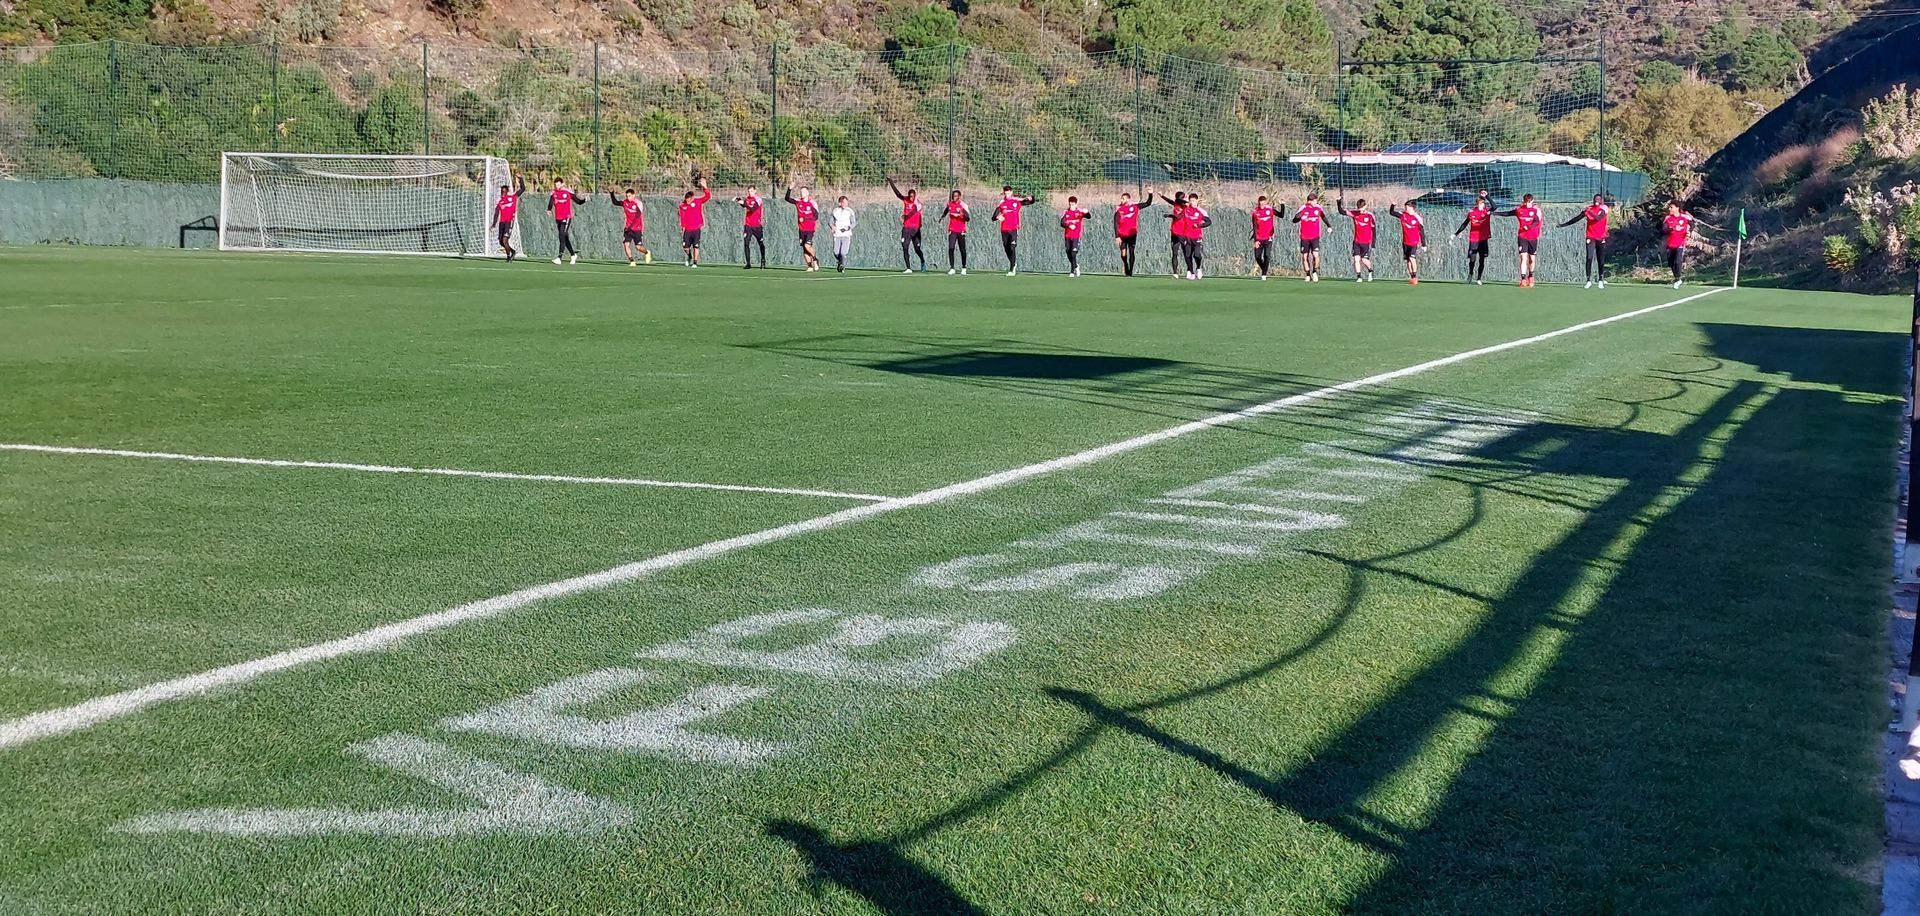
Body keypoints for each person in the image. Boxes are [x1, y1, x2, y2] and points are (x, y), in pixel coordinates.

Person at [1559, 194, 1610, 288]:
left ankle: (1600, 279)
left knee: (1600, 259)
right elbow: (1577, 218)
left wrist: (1590, 212)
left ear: (1601, 200)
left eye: (1598, 199)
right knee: (1589, 257)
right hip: (1590, 236)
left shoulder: (1604, 209)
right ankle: (1588, 280)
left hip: (1601, 237)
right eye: (1595, 199)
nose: (1596, 200)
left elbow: (1598, 218)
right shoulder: (1589, 209)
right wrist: (1563, 225)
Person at [1497, 193, 1544, 287]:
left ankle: (1530, 276)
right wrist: (1494, 213)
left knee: (1532, 259)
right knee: (1523, 257)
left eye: (1529, 202)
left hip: (1533, 237)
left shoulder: (1536, 210)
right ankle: (1523, 279)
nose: (1527, 204)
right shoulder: (1519, 209)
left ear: (1532, 201)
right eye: (1526, 202)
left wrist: (1528, 227)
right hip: (1522, 236)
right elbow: (1508, 213)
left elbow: (1537, 221)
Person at [992, 186, 1038, 276]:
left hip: (1014, 228)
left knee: (1012, 247)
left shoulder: (1017, 201)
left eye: (1008, 192)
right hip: (1004, 229)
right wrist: (997, 217)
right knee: (1007, 248)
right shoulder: (1002, 203)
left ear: (1011, 192)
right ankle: (1013, 263)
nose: (1007, 194)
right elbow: (993, 217)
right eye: (1005, 193)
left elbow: (1031, 202)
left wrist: (1031, 198)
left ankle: (1012, 269)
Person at [1454, 193, 1494, 285]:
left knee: (1482, 260)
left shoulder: (1487, 212)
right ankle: (1470, 274)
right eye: (1480, 203)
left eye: (1483, 203)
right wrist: (1456, 233)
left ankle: (1479, 278)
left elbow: (1495, 206)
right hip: (1474, 239)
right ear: (1477, 204)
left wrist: (1487, 196)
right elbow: (1465, 224)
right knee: (1472, 259)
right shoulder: (1472, 212)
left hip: (1483, 239)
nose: (1482, 205)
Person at [888, 178, 926, 273]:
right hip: (906, 229)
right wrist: (891, 183)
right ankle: (908, 268)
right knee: (905, 247)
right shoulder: (906, 200)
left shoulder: (918, 203)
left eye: (913, 196)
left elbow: (913, 212)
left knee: (917, 249)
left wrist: (906, 216)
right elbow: (898, 194)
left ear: (915, 196)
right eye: (910, 196)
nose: (911, 198)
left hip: (915, 230)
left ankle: (922, 261)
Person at [1113, 190, 1153, 277]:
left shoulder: (1135, 207)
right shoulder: (1119, 209)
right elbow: (1115, 223)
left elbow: (1148, 203)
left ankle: (1130, 270)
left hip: (1132, 234)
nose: (1121, 200)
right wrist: (1117, 236)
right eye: (1121, 199)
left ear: (1128, 199)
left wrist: (1150, 194)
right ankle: (1126, 265)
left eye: (1123, 199)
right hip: (1122, 234)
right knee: (1123, 253)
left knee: (1131, 252)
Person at [609, 188, 651, 267]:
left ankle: (647, 252)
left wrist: (630, 226)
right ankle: (632, 261)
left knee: (638, 247)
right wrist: (612, 194)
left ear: (633, 195)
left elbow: (637, 216)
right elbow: (615, 202)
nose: (628, 198)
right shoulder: (625, 202)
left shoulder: (638, 203)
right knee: (626, 244)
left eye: (630, 196)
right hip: (628, 228)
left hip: (637, 228)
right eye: (627, 196)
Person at [548, 177, 586, 265]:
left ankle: (559, 257)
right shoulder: (554, 193)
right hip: (558, 218)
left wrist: (584, 200)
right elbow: (551, 202)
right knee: (564, 237)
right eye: (555, 185)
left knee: (562, 235)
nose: (557, 186)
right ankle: (573, 255)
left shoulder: (567, 192)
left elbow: (578, 201)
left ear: (562, 184)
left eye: (558, 185)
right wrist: (549, 209)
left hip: (567, 217)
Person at [1338, 197, 1376, 282]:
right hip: (1357, 241)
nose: (1360, 210)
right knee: (1356, 259)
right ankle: (1359, 277)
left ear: (1365, 206)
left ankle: (1370, 271)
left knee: (1364, 260)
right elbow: (1341, 211)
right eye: (1359, 208)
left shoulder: (1370, 216)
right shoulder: (1355, 214)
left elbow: (1374, 230)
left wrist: (1373, 243)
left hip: (1366, 242)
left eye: (1361, 208)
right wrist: (1338, 202)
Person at [783, 187, 821, 272]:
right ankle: (810, 266)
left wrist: (805, 219)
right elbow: (787, 198)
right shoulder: (798, 201)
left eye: (804, 191)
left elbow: (816, 216)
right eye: (801, 191)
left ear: (807, 193)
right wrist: (789, 189)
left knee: (807, 245)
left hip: (810, 228)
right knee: (804, 248)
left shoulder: (812, 203)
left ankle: (815, 259)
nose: (802, 193)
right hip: (801, 229)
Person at [1387, 200, 1425, 285]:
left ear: (1412, 208)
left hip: (1414, 242)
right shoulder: (1403, 215)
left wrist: (1424, 244)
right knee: (1408, 260)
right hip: (1405, 242)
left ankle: (1415, 276)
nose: (1405, 208)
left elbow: (1421, 231)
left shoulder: (1418, 218)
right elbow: (1392, 212)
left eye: (1407, 207)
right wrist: (1393, 205)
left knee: (1412, 258)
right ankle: (1412, 277)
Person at [677, 177, 711, 268]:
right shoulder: (682, 205)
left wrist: (705, 187)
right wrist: (683, 227)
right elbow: (682, 217)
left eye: (689, 200)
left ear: (692, 198)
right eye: (686, 200)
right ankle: (689, 256)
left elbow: (707, 197)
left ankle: (695, 262)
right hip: (687, 229)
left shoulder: (698, 201)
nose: (687, 201)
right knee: (685, 247)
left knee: (696, 246)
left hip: (696, 228)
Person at [1292, 193, 1326, 281]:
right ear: (1309, 201)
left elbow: (1323, 217)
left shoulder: (1318, 208)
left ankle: (1314, 272)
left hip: (1315, 236)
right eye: (1314, 201)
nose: (1316, 202)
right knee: (1305, 256)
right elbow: (1294, 220)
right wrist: (1302, 213)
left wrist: (1329, 226)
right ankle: (1307, 274)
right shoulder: (1303, 208)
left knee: (1316, 255)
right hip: (1304, 237)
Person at [491, 173, 524, 262]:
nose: (503, 193)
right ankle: (512, 251)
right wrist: (494, 224)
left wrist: (520, 179)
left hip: (509, 222)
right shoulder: (500, 201)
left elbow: (523, 189)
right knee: (501, 242)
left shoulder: (512, 197)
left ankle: (508, 256)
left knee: (505, 239)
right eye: (502, 191)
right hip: (502, 222)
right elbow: (496, 213)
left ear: (507, 191)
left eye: (504, 191)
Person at [1180, 192, 1213, 280]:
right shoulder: (1186, 210)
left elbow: (1209, 222)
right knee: (1187, 255)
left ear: (1197, 201)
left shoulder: (1201, 211)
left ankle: (1198, 268)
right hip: (1187, 236)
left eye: (1194, 201)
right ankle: (1191, 272)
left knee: (1197, 255)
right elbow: (1181, 220)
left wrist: (1198, 225)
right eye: (1191, 201)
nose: (1192, 202)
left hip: (1197, 236)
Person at [1662, 200, 1695, 288]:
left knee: (1677, 261)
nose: (1669, 209)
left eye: (1671, 207)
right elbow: (1663, 230)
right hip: (1670, 243)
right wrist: (1671, 229)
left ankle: (1678, 278)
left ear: (1677, 208)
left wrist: (1689, 232)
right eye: (1669, 207)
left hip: (1680, 242)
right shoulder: (1667, 218)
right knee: (1671, 263)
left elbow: (1692, 224)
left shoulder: (1684, 216)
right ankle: (1677, 279)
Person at [732, 187, 766, 269]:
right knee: (746, 243)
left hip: (757, 226)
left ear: (755, 191)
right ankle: (748, 263)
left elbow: (752, 209)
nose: (750, 193)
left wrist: (743, 204)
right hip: (748, 225)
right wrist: (738, 199)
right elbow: (744, 205)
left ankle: (763, 260)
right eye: (749, 191)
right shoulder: (747, 199)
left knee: (760, 243)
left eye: (751, 191)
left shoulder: (758, 199)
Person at [1251, 195, 1282, 280]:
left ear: (1266, 203)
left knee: (1267, 256)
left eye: (1263, 204)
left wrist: (1282, 205)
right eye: (1260, 204)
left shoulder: (1270, 210)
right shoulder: (1255, 212)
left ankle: (1264, 274)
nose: (1262, 206)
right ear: (1258, 203)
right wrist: (1256, 240)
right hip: (1259, 239)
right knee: (1257, 257)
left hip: (1268, 238)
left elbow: (1281, 215)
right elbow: (1254, 226)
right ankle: (1264, 269)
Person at [1060, 196, 1092, 277]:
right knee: (1068, 252)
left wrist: (1087, 212)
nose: (1071, 206)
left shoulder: (1079, 212)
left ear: (1076, 204)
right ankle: (1076, 266)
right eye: (1070, 205)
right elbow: (1062, 223)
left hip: (1076, 236)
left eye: (1073, 205)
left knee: (1073, 253)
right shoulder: (1066, 212)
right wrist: (1068, 225)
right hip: (1067, 236)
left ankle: (1072, 272)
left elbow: (1089, 217)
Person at [944, 190, 970, 275]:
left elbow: (967, 218)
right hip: (952, 230)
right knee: (951, 248)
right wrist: (942, 216)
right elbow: (947, 210)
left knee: (962, 249)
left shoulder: (963, 205)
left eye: (955, 196)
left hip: (961, 230)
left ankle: (964, 267)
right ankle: (952, 268)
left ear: (959, 196)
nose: (954, 197)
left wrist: (959, 215)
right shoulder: (950, 204)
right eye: (953, 196)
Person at [829, 195, 857, 273]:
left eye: (846, 202)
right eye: (843, 202)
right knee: (836, 252)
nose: (845, 204)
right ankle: (840, 262)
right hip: (837, 235)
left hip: (846, 235)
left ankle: (842, 265)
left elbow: (853, 223)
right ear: (840, 203)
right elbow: (830, 222)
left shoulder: (850, 211)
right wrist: (832, 227)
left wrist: (848, 228)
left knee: (843, 253)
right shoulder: (835, 211)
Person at [1165, 190, 1189, 277]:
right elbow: (1170, 201)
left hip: (1183, 232)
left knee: (1186, 252)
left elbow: (1178, 217)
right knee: (1175, 252)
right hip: (1174, 231)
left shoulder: (1186, 208)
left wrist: (1169, 215)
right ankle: (1175, 272)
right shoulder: (1176, 204)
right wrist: (1162, 196)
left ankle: (1189, 271)